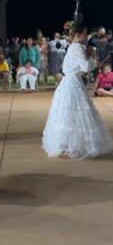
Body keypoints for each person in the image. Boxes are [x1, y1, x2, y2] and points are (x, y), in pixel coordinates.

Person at [42, 25, 113, 159]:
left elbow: (66, 67)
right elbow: (86, 67)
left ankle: (64, 144)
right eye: (85, 34)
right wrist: (91, 57)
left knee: (66, 113)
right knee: (79, 112)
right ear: (78, 35)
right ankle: (76, 145)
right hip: (75, 83)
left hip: (66, 83)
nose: (87, 36)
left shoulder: (70, 47)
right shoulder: (79, 47)